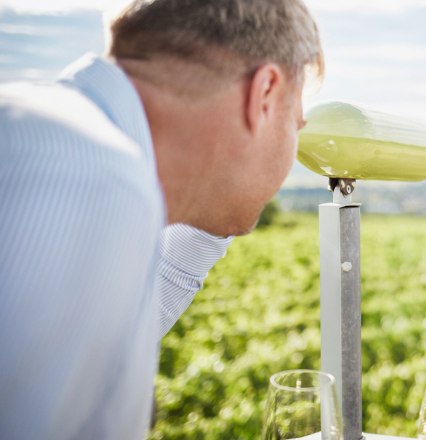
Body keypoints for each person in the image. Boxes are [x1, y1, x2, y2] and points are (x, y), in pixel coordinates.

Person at [0, 0, 323, 438]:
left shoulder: (59, 142)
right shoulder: (97, 179)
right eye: (295, 124)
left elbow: (92, 354)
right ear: (264, 93)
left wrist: (207, 220)